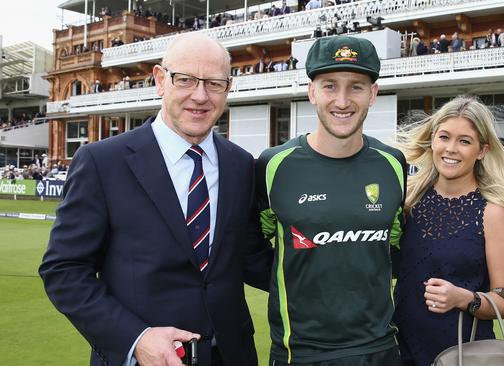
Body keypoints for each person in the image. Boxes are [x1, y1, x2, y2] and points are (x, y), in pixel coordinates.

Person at [39, 33, 274, 366]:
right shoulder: (102, 162)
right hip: (144, 358)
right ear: (160, 80)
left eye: (214, 83)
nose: (200, 96)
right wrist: (136, 339)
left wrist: (333, 270)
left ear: (229, 87)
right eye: (186, 80)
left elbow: (248, 256)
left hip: (232, 355)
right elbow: (63, 270)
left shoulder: (241, 164)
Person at [256, 36, 406, 365]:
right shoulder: (273, 165)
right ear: (311, 92)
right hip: (301, 352)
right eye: (329, 86)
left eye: (356, 87)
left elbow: (394, 249)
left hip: (379, 349)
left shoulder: (394, 165)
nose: (342, 100)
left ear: (373, 94)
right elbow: (253, 249)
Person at [394, 95, 504, 365]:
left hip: (462, 354)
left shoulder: (494, 215)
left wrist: (463, 298)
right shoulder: (408, 202)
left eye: (464, 141)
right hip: (399, 350)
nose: (451, 148)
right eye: (444, 137)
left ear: (482, 150)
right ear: (432, 140)